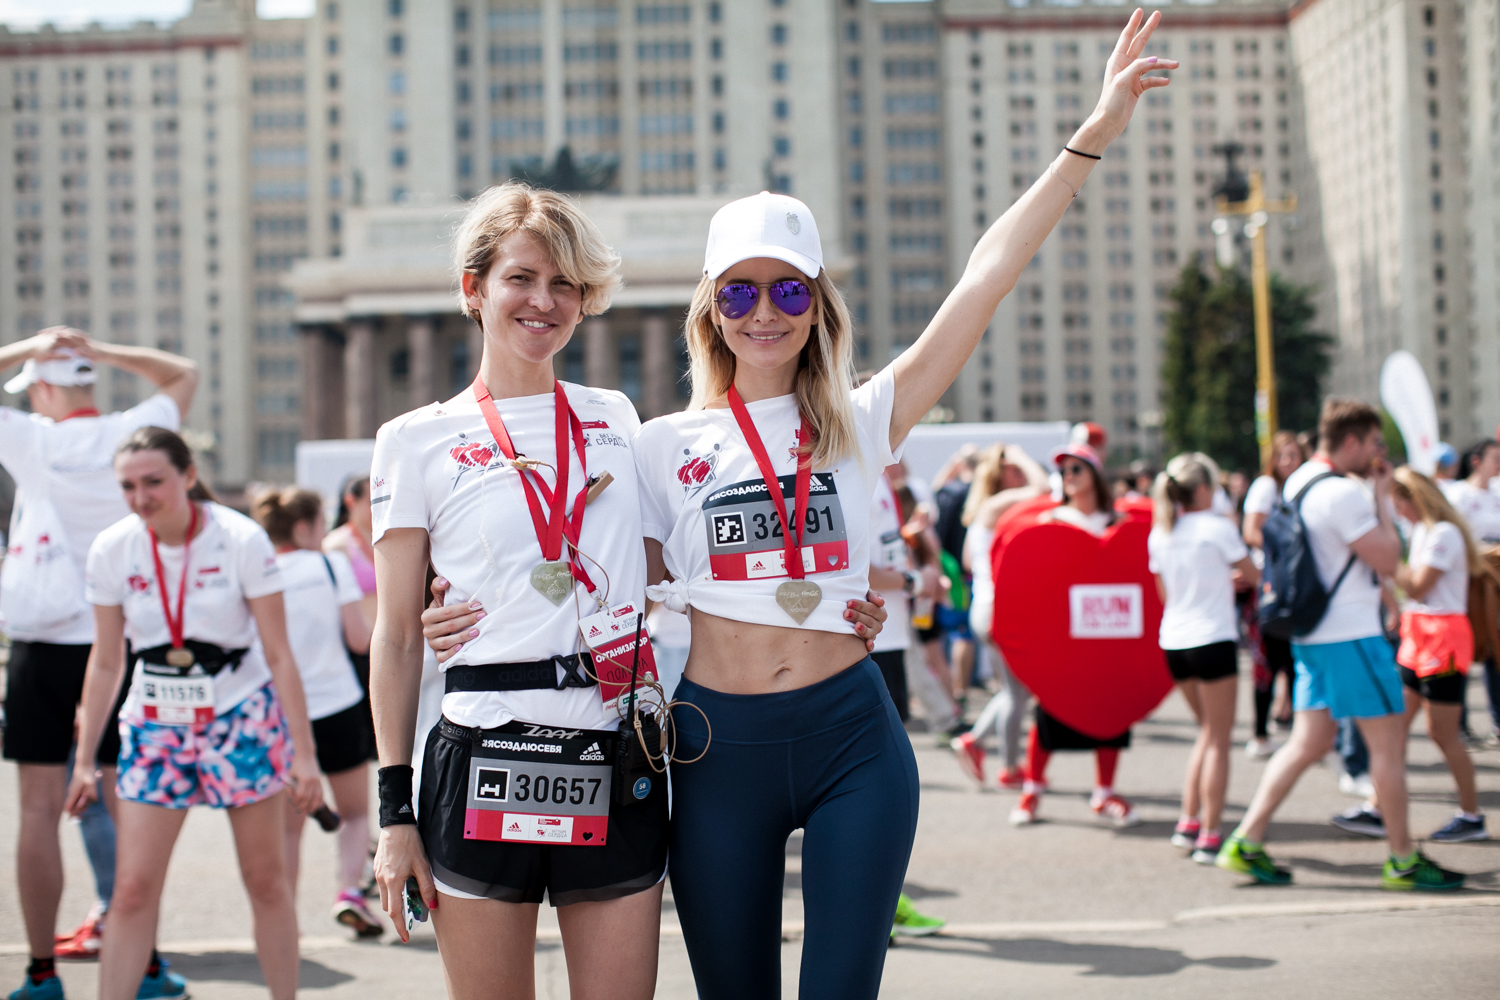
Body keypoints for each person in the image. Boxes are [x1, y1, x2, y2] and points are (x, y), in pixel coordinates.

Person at [367, 181, 895, 1000]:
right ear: (473, 290)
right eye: (521, 278)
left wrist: (829, 598)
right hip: (482, 747)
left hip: (615, 748)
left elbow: (685, 555)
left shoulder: (618, 419)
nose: (544, 301)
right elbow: (398, 636)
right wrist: (393, 812)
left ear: (585, 303)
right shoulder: (413, 440)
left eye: (566, 284)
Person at [64, 428, 326, 1000]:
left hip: (240, 716)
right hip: (155, 724)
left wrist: (304, 756)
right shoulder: (113, 547)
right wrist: (84, 759)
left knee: (265, 880)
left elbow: (279, 654)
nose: (140, 498)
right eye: (128, 486)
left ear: (187, 476)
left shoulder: (239, 538)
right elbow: (107, 661)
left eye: (153, 482)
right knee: (131, 889)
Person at [0, 328, 198, 1000]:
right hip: (120, 641)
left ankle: (40, 971)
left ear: (45, 389)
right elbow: (183, 373)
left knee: (37, 811)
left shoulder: (32, 439)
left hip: (41, 643)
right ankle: (141, 964)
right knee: (125, 804)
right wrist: (105, 350)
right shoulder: (130, 434)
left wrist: (31, 344)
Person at [1215, 400, 1465, 891]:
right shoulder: (1342, 495)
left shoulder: (1299, 479)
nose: (1379, 454)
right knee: (1388, 747)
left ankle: (1246, 840)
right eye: (1374, 443)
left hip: (1312, 635)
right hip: (1351, 635)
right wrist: (1379, 494)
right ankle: (1403, 859)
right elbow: (1389, 557)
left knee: (1306, 743)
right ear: (1350, 442)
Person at [252, 487, 384, 935]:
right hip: (339, 705)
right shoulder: (330, 565)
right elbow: (358, 639)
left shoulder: (259, 572)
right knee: (355, 813)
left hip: (285, 712)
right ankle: (348, 893)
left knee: (289, 828)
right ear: (307, 526)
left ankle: (283, 919)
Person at [1011, 442, 1140, 828]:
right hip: (1063, 641)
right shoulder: (1051, 522)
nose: (1067, 477)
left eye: (1076, 469)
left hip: (1108, 637)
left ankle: (1104, 792)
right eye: (1063, 471)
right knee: (1049, 713)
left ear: (1095, 476)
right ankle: (1032, 788)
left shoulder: (1116, 523)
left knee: (1112, 713)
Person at [1150, 454, 1258, 864]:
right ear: (1202, 490)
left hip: (1175, 642)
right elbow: (1255, 576)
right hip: (1212, 639)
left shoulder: (1162, 532)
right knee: (1218, 740)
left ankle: (1188, 821)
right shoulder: (1218, 528)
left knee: (1208, 734)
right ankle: (1211, 833)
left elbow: (1167, 594)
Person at [1378, 469, 1485, 841]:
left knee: (1443, 733)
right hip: (1417, 633)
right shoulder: (1424, 530)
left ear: (1413, 498)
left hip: (1443, 639)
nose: (1397, 510)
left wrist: (1389, 559)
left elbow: (1420, 586)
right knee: (1394, 725)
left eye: (1399, 502)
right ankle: (1379, 807)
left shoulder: (1443, 533)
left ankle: (1471, 815)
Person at [951, 444, 1048, 789]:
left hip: (986, 606)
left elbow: (966, 561)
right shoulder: (994, 506)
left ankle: (975, 743)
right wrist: (1021, 453)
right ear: (1000, 474)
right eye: (1014, 470)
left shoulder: (983, 511)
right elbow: (1044, 488)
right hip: (996, 609)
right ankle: (1007, 767)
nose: (1021, 475)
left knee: (1013, 690)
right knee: (1015, 694)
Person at [1241, 430, 1309, 757]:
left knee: (1294, 662)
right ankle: (1259, 733)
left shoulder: (1302, 485)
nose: (1287, 461)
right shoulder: (1266, 487)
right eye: (1281, 455)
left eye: (1293, 455)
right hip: (1269, 585)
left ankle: (1299, 731)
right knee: (1266, 661)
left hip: (1293, 584)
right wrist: (1284, 553)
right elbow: (1252, 531)